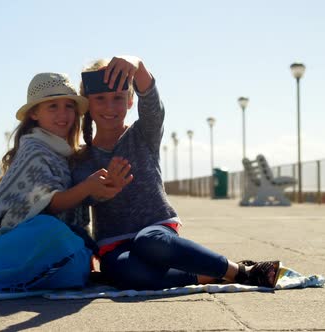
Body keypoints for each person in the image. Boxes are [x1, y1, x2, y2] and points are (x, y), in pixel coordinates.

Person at [72, 56, 281, 290]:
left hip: (156, 231)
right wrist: (101, 190)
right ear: (87, 102)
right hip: (114, 244)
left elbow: (151, 101)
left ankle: (242, 271)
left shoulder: (143, 134)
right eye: (100, 98)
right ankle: (208, 275)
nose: (110, 107)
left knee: (149, 241)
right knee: (126, 274)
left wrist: (137, 65)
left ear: (130, 100)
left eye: (118, 98)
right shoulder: (81, 157)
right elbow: (79, 210)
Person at [0, 72, 131, 291]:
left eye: (69, 106)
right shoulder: (34, 149)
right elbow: (50, 202)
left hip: (56, 242)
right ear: (34, 113)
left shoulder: (66, 152)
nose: (63, 114)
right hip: (27, 239)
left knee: (77, 260)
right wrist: (87, 186)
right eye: (52, 106)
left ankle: (22, 276)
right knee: (52, 230)